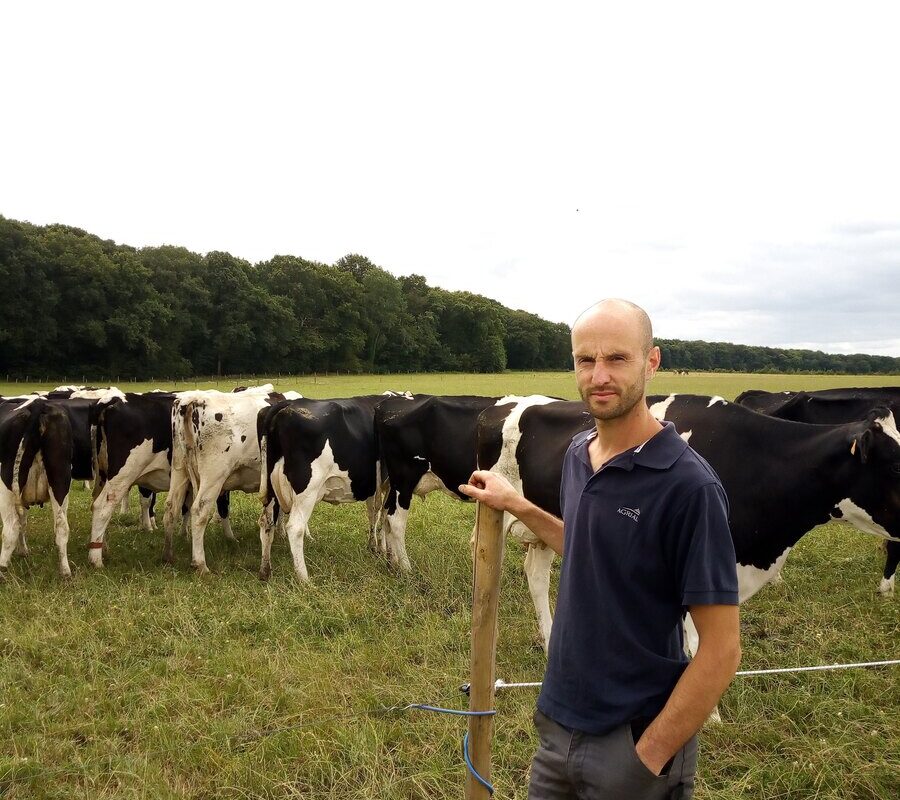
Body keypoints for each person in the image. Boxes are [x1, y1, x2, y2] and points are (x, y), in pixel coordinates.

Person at [459, 299, 741, 799]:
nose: (599, 375)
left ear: (651, 361)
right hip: (557, 724)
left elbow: (721, 650)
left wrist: (649, 756)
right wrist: (518, 504)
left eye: (617, 358)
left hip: (632, 740)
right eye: (585, 361)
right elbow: (587, 547)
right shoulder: (578, 454)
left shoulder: (688, 487)